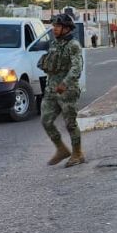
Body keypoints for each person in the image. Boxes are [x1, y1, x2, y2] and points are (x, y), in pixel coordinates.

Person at [38, 10, 85, 167]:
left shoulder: (73, 45)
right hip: (51, 89)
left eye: (58, 26)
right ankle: (61, 149)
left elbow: (77, 68)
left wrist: (65, 83)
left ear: (67, 28)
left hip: (67, 90)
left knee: (70, 123)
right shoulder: (54, 43)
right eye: (54, 26)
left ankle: (77, 153)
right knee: (46, 121)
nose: (54, 29)